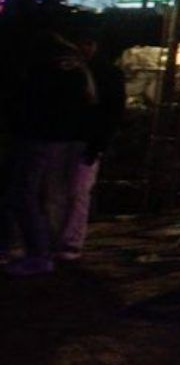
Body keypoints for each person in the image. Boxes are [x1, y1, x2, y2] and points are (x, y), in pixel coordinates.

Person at [4, 23, 95, 277]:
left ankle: (37, 253)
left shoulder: (39, 63)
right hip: (67, 138)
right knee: (52, 195)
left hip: (38, 136)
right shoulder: (76, 66)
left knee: (25, 193)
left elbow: (26, 99)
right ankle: (48, 249)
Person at [45, 28, 123, 260]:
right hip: (75, 138)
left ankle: (67, 240)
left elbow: (111, 112)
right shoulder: (92, 72)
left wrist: (98, 143)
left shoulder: (96, 72)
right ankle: (64, 240)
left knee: (72, 191)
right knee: (67, 191)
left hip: (79, 139)